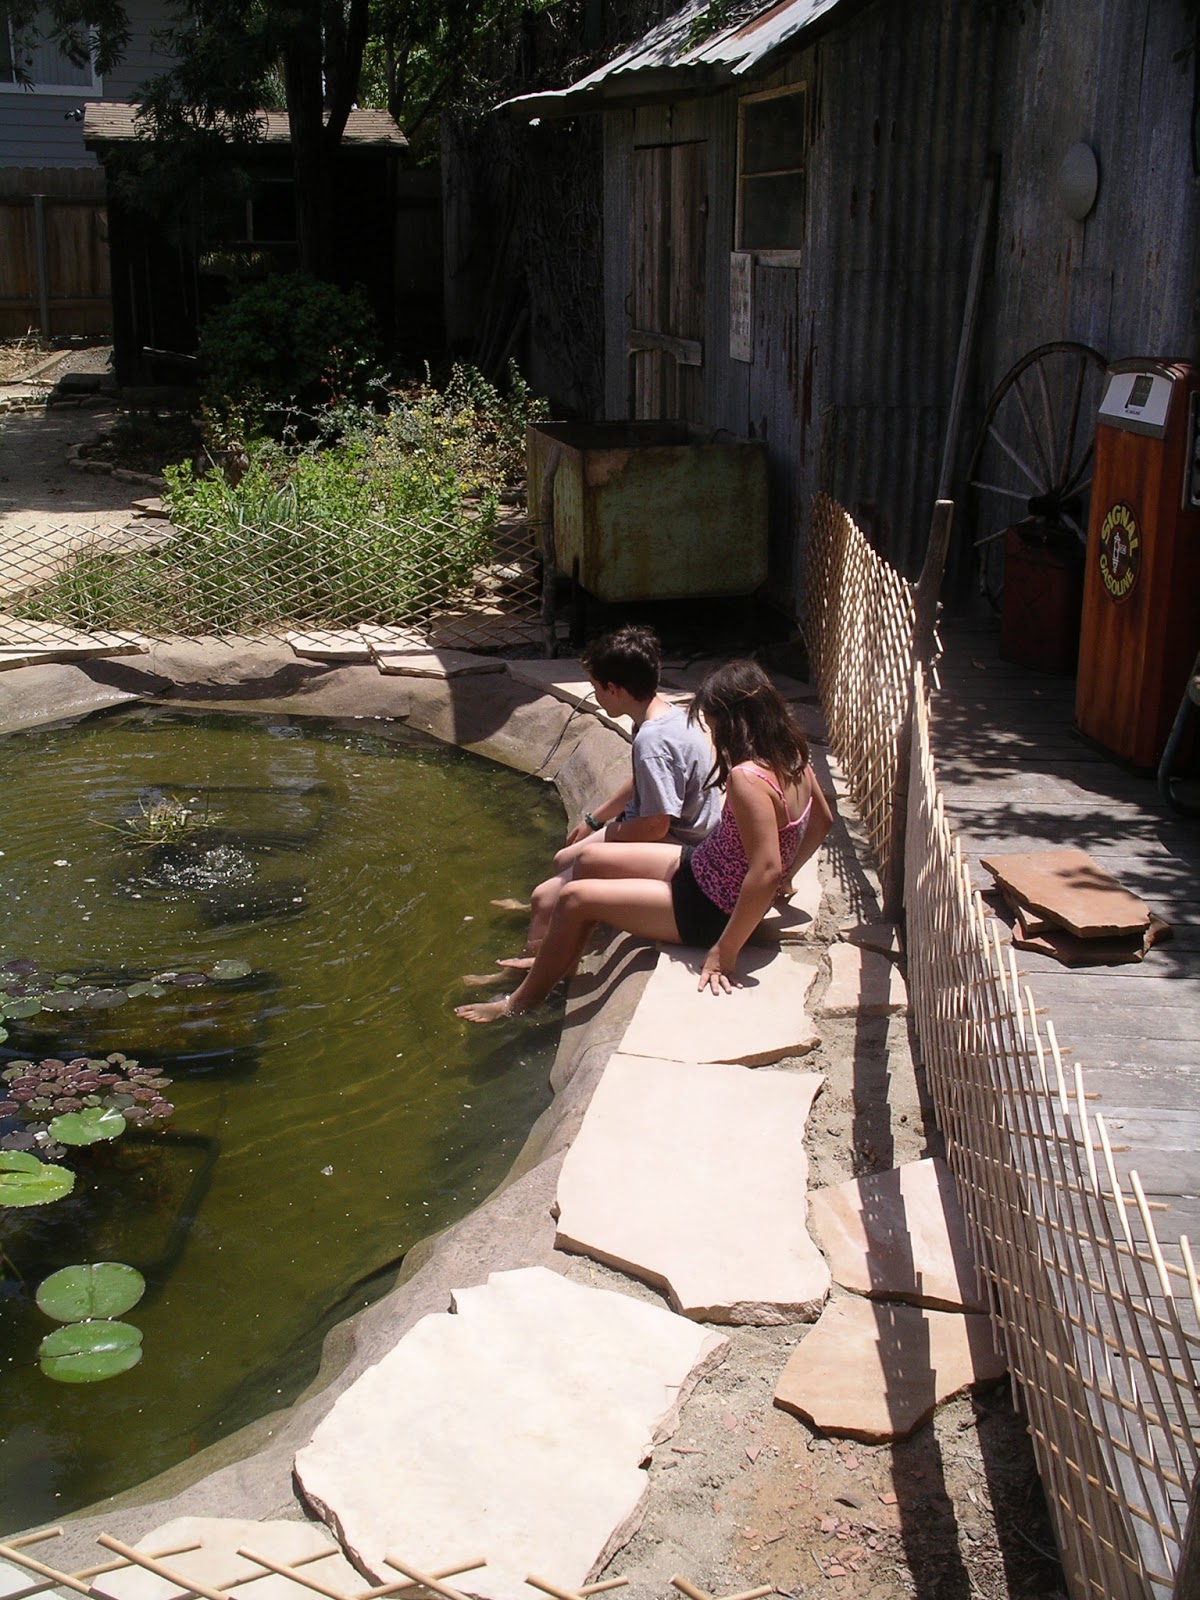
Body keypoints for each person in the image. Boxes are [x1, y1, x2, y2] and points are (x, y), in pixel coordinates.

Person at [457, 659, 833, 1022]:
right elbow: (822, 821)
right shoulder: (793, 755)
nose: (714, 734)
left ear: (734, 722)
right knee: (588, 860)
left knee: (574, 898)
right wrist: (788, 875)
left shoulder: (748, 778)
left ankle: (522, 1002)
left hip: (709, 909)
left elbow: (765, 870)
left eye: (714, 723)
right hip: (702, 866)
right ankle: (562, 958)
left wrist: (726, 951)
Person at [496, 624, 720, 969]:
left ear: (613, 689)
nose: (596, 696)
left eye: (596, 688)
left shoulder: (652, 742)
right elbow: (644, 782)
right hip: (677, 831)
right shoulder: (668, 717)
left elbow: (656, 825)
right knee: (564, 858)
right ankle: (562, 920)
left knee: (543, 896)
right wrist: (594, 820)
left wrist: (611, 832)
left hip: (680, 843)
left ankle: (537, 966)